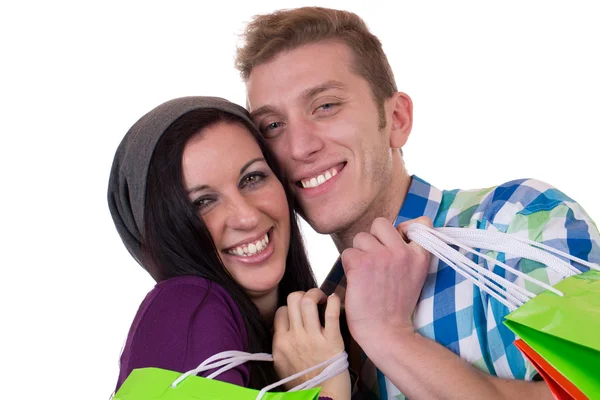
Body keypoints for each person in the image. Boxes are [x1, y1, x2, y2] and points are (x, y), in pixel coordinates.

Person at [235, 7, 600, 399]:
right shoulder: (314, 328)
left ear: (396, 119)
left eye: (325, 106)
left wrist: (387, 334)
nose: (299, 147)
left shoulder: (518, 219)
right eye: (273, 126)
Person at [107, 96, 351, 399]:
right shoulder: (186, 306)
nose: (247, 217)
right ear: (163, 233)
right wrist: (326, 384)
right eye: (203, 202)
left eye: (252, 178)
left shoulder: (302, 331)